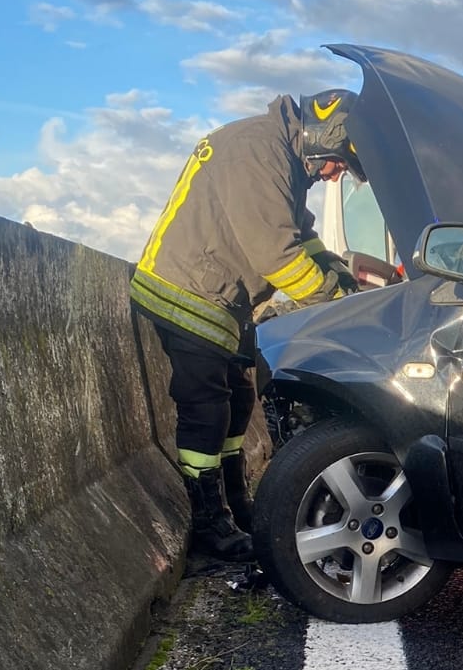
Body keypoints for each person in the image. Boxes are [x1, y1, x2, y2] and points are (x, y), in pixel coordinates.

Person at [130, 90, 367, 561]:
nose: (336, 173)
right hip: (187, 292)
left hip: (219, 297)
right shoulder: (258, 151)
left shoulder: (281, 155)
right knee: (207, 410)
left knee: (239, 402)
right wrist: (333, 302)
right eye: (339, 163)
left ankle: (236, 504)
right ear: (325, 137)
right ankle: (207, 525)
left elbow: (301, 234)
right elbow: (275, 254)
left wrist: (340, 275)